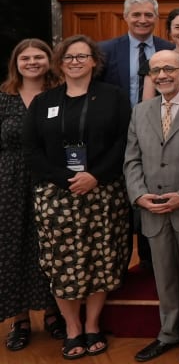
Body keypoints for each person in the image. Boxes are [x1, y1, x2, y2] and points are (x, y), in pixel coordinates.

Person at [24, 35, 132, 359]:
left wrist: (94, 176)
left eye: (82, 56)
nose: (75, 62)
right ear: (60, 63)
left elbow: (124, 143)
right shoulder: (44, 102)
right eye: (69, 57)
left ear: (94, 62)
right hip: (57, 196)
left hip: (103, 193)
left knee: (100, 259)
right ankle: (72, 328)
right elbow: (32, 150)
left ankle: (92, 325)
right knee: (62, 263)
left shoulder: (113, 97)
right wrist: (67, 178)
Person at [124, 50, 179, 363]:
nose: (162, 76)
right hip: (152, 208)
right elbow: (132, 159)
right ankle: (168, 333)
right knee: (164, 276)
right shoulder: (140, 111)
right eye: (155, 70)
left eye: (169, 69)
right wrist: (138, 195)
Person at [0, 39, 63, 352]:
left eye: (39, 57)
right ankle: (20, 319)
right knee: (13, 248)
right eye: (26, 58)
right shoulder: (3, 97)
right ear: (16, 63)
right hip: (9, 182)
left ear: (49, 61)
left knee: (49, 245)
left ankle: (53, 313)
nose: (33, 62)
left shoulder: (58, 94)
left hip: (49, 180)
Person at [99, 0, 175, 105]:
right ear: (125, 17)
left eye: (149, 15)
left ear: (156, 18)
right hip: (118, 119)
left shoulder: (170, 50)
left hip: (158, 118)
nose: (143, 20)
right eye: (136, 15)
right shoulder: (105, 50)